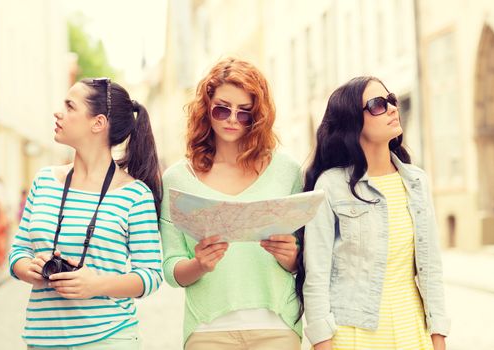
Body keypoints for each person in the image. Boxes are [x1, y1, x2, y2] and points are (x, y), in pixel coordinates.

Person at [295, 76, 450, 350]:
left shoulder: (416, 182)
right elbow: (317, 276)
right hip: (353, 336)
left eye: (391, 100)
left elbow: (432, 271)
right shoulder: (331, 185)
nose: (392, 108)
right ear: (353, 121)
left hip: (412, 333)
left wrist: (439, 339)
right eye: (378, 104)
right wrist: (322, 343)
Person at [9, 78, 163, 349]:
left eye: (70, 107)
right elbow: (18, 252)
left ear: (98, 123)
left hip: (110, 338)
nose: (59, 113)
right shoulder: (44, 180)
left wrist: (97, 285)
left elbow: (150, 275)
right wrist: (29, 268)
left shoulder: (135, 195)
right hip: (41, 340)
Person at [160, 58, 303, 349]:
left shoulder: (286, 169)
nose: (232, 120)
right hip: (207, 330)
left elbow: (306, 259)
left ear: (259, 116)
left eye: (245, 113)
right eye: (222, 109)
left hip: (277, 327)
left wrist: (290, 256)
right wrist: (200, 263)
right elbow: (171, 270)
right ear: (206, 107)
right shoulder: (177, 178)